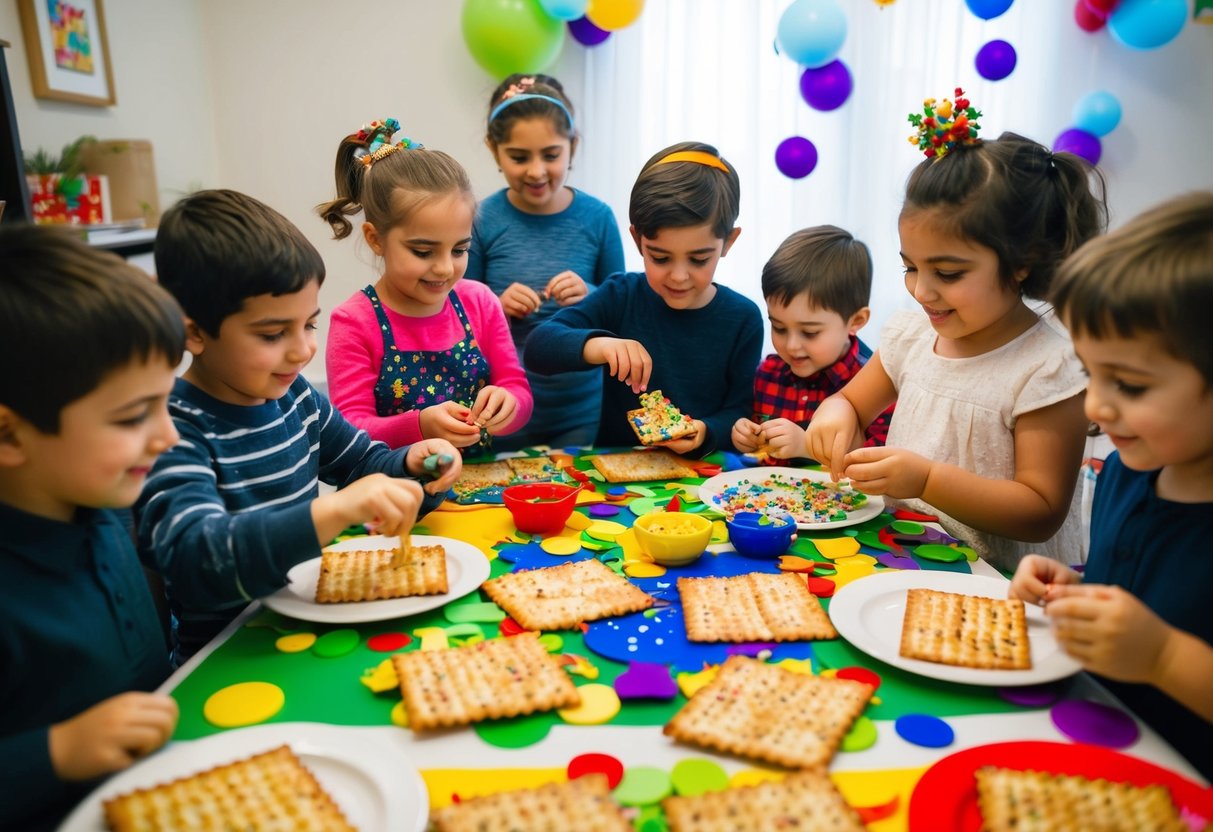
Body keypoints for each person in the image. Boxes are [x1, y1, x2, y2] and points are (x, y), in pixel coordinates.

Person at [138, 189, 460, 666]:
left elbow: (364, 464)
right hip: (229, 658)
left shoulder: (296, 397)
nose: (302, 350)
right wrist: (331, 513)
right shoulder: (172, 431)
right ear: (194, 332)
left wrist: (415, 465)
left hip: (307, 631)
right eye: (272, 334)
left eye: (309, 324)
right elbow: (197, 560)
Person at [806, 91, 1107, 571]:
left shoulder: (1047, 368)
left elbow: (1040, 511)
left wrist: (926, 480)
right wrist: (834, 416)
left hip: (1005, 585)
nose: (921, 291)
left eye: (947, 273)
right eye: (910, 267)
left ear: (1022, 264)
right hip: (906, 559)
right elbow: (850, 403)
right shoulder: (910, 337)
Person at [1011, 191, 1213, 780]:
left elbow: (1166, 635)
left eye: (1129, 384)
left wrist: (1164, 657)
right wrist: (1074, 590)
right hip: (1092, 745)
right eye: (1090, 372)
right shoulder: (1129, 468)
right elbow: (1143, 596)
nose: (1096, 405)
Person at [0, 227, 182, 830]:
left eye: (164, 402)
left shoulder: (103, 502)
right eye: (134, 416)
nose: (168, 436)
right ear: (9, 434)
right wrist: (55, 753)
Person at [319, 118, 532, 456]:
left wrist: (509, 405)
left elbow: (516, 388)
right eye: (423, 251)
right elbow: (348, 430)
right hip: (393, 497)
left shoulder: (480, 303)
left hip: (478, 491)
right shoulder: (355, 322)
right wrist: (419, 426)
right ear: (375, 239)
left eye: (460, 249)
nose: (445, 268)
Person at [466, 75, 625, 451]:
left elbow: (622, 311)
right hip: (500, 410)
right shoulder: (481, 219)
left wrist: (591, 294)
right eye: (519, 157)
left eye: (551, 155)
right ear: (495, 151)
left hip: (581, 412)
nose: (536, 171)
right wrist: (496, 305)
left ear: (573, 147)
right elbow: (457, 313)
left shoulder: (598, 217)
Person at [731, 226, 893, 462]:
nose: (792, 345)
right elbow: (757, 453)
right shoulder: (767, 374)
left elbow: (881, 459)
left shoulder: (876, 382)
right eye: (779, 327)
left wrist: (807, 446)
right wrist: (747, 437)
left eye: (810, 332)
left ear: (856, 321)